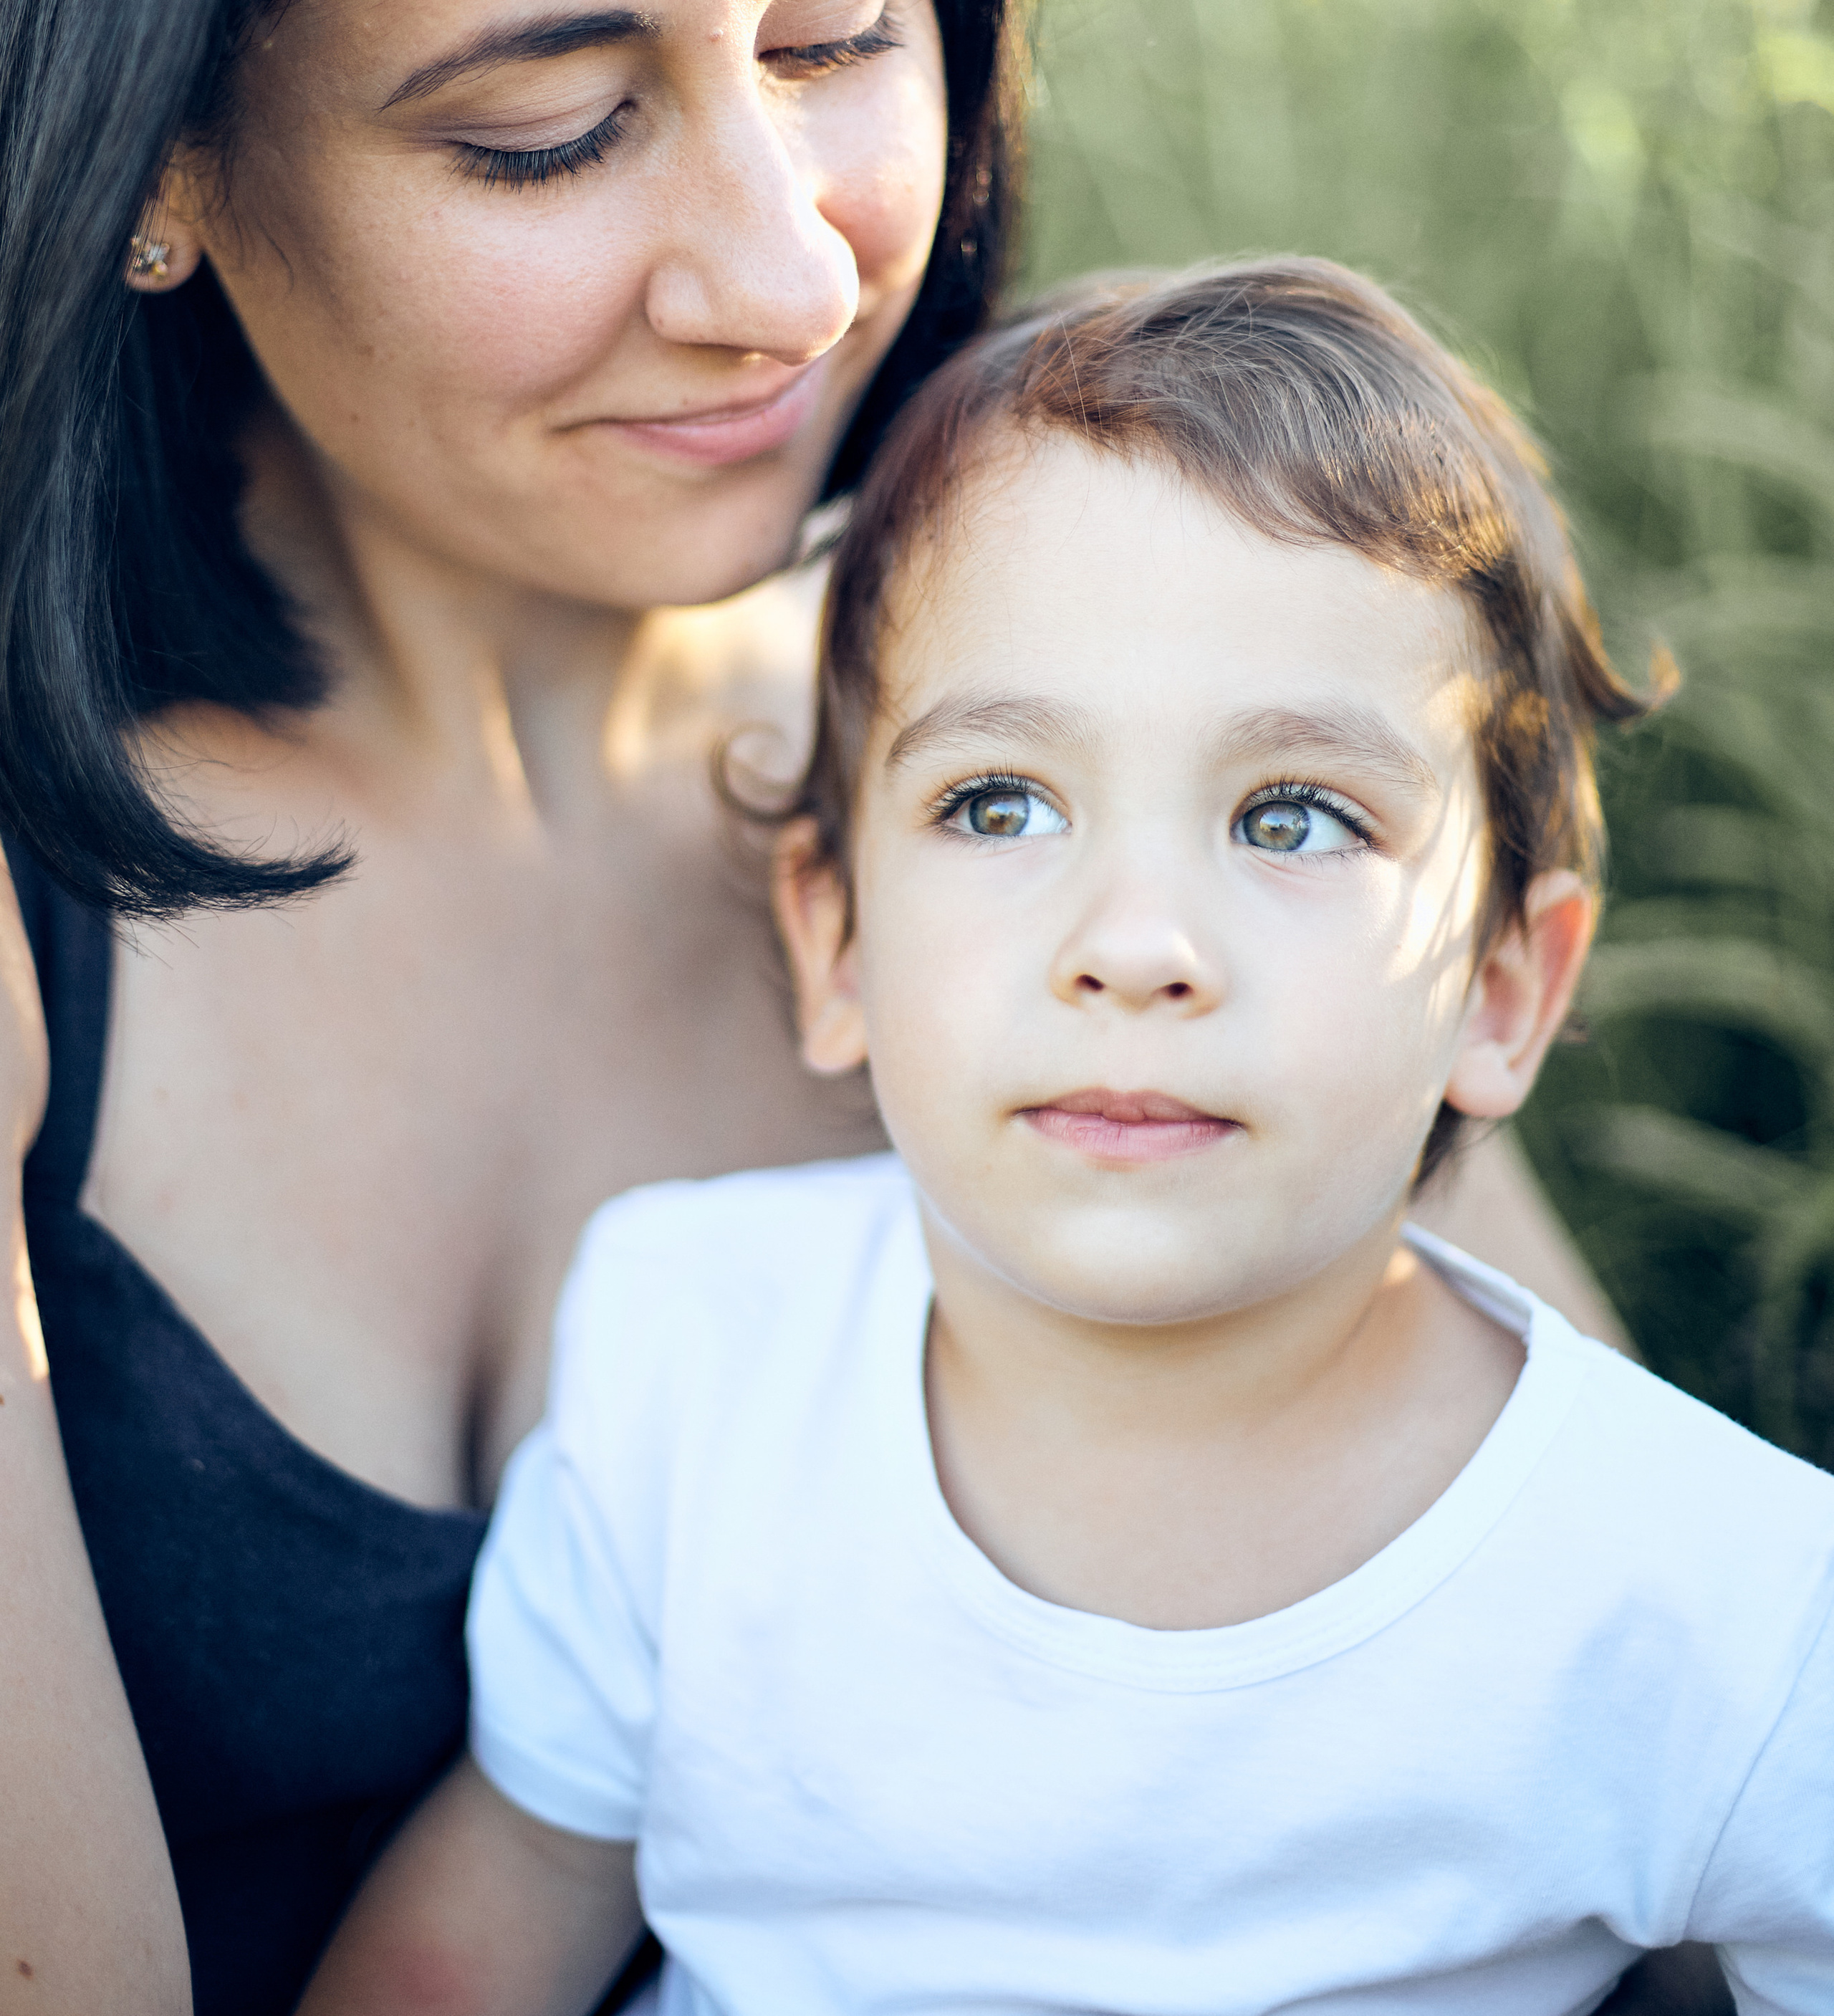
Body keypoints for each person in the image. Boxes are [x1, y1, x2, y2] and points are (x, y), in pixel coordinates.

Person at [0, 0, 1666, 2010]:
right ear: (146, 139)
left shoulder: (1086, 760)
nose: (787, 269)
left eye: (841, 17)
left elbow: (1603, 1640)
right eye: (549, 129)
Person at [299, 259, 1834, 2016]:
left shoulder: (1703, 1600)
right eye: (999, 801)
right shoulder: (697, 1359)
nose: (1132, 938)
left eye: (1290, 814)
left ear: (1499, 988)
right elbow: (495, 1908)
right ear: (836, 940)